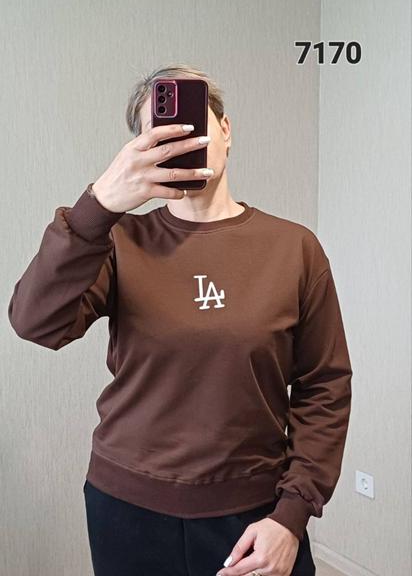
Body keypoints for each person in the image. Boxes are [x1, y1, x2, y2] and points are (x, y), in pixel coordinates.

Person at [8, 63, 352, 576]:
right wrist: (97, 206)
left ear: (226, 130)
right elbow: (35, 323)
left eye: (195, 124)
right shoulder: (118, 241)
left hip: (257, 511)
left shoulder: (295, 248)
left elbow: (324, 386)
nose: (183, 140)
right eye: (163, 133)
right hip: (127, 507)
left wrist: (293, 514)